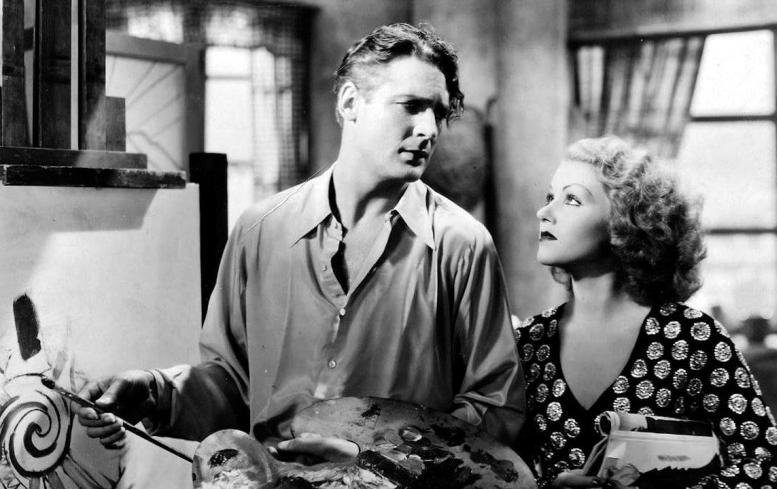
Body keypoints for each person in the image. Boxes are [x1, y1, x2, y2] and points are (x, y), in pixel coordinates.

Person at [75, 23, 525, 460]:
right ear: (350, 102)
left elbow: (496, 406)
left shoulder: (462, 245)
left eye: (439, 112)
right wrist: (154, 393)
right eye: (411, 106)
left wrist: (374, 456)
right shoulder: (260, 231)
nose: (429, 128)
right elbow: (233, 383)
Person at [513, 137, 777, 488]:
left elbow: (766, 466)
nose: (544, 212)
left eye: (572, 199)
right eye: (550, 197)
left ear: (626, 220)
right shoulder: (528, 343)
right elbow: (500, 471)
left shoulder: (694, 338)